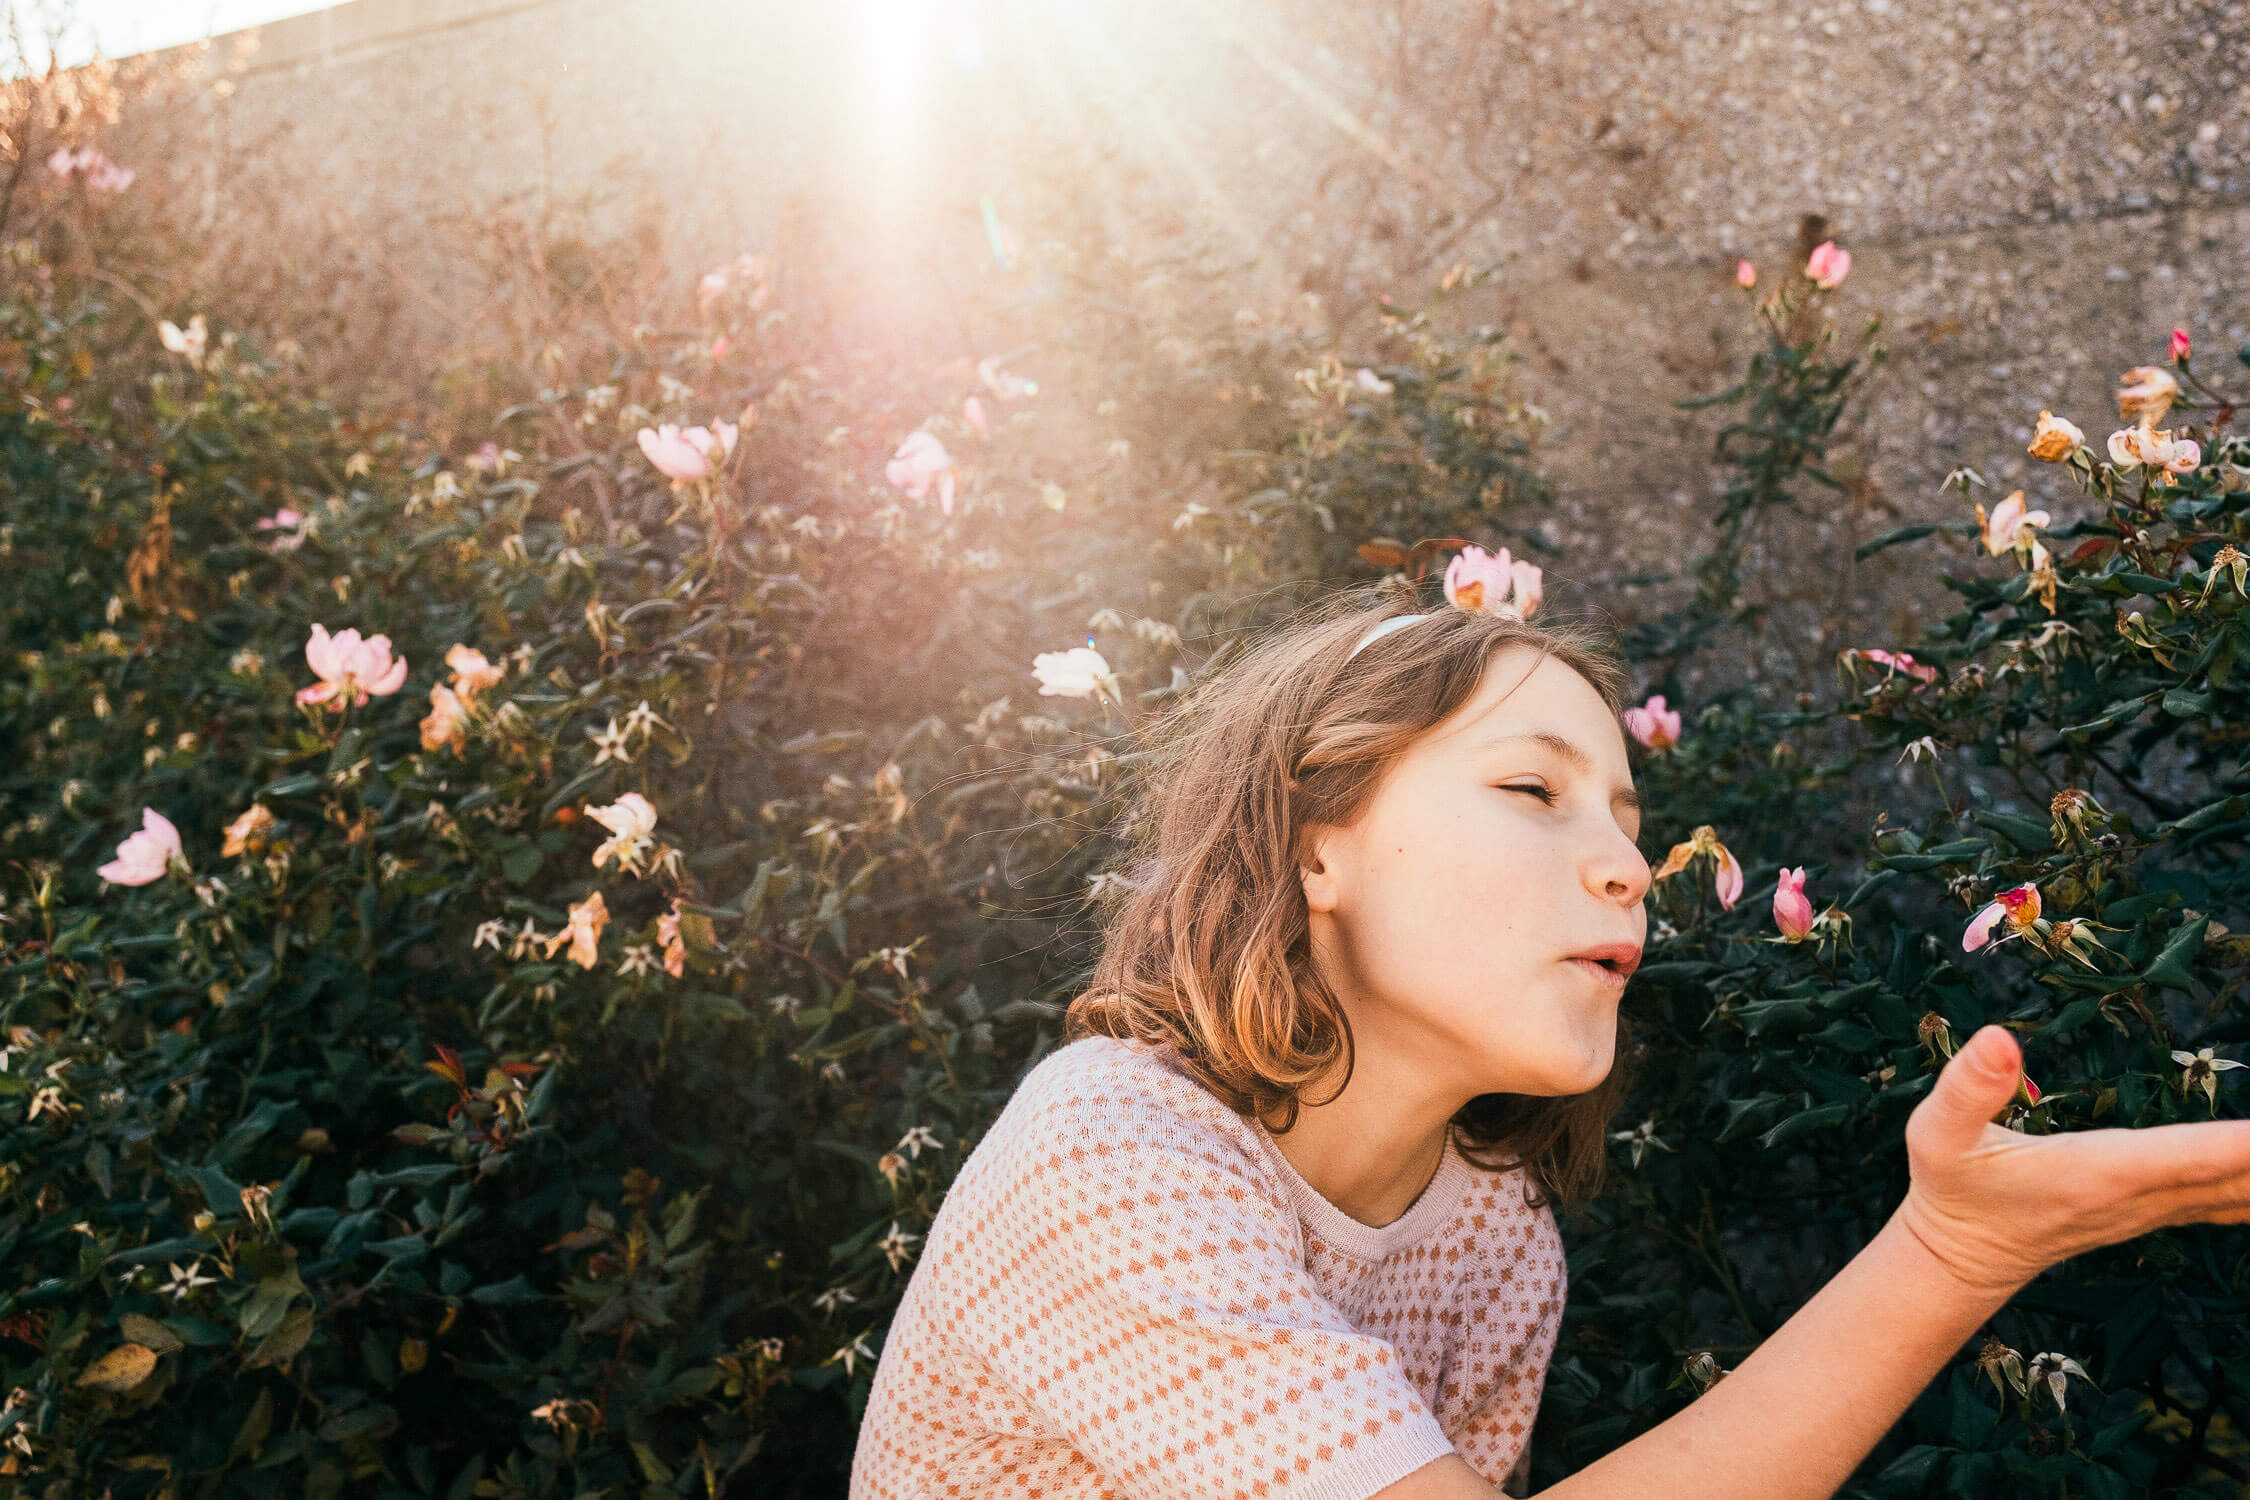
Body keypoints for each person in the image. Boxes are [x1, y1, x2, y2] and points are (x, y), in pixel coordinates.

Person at [849, 592, 2250, 1499]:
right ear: (1311, 846)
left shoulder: (1491, 1233)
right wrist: (1954, 1254)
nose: (1624, 870)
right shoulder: (1111, 1159)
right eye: (1531, 789)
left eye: (1629, 828)